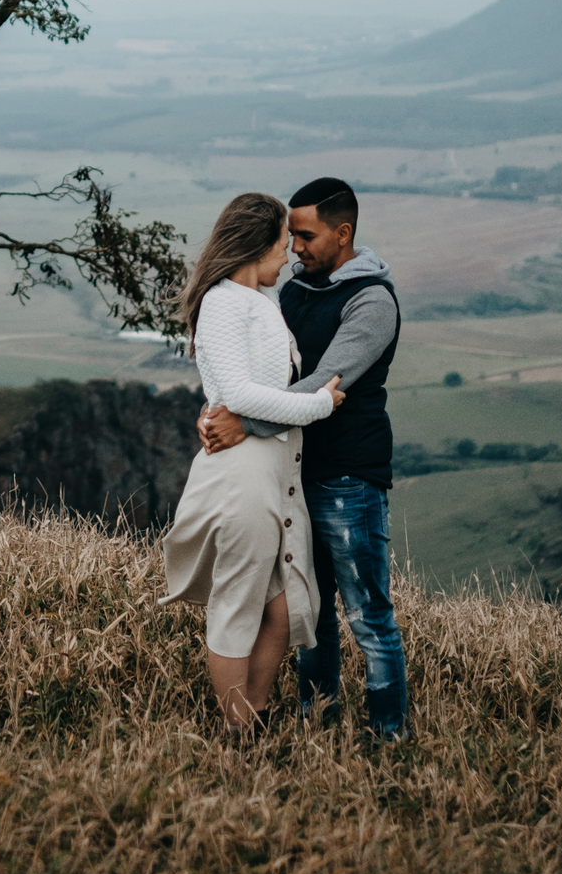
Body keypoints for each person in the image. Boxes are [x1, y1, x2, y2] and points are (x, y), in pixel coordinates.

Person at [198, 176, 409, 739]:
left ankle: (390, 733)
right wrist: (215, 409)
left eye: (306, 236)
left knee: (367, 615)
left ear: (343, 234)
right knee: (306, 610)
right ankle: (317, 719)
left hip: (349, 475)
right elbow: (253, 371)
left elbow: (323, 384)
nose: (293, 248)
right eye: (289, 236)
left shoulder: (372, 301)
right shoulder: (290, 291)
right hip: (288, 474)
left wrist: (243, 423)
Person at [160, 192, 344, 732]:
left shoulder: (260, 303)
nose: (288, 256)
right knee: (239, 604)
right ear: (258, 243)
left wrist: (214, 408)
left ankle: (252, 716)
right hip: (242, 476)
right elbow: (238, 393)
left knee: (284, 609)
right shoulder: (221, 301)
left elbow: (233, 392)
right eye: (282, 245)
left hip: (274, 474)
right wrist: (317, 405)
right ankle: (240, 728)